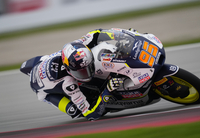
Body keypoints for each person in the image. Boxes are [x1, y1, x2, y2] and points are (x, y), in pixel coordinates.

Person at [21, 28, 174, 120]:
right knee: (76, 112)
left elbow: (100, 32)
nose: (87, 72)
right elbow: (91, 114)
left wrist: (128, 35)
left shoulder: (79, 45)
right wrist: (108, 89)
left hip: (44, 61)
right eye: (81, 71)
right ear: (70, 69)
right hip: (43, 89)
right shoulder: (69, 84)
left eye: (87, 68)